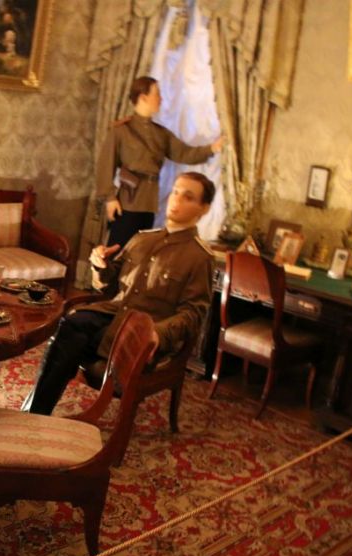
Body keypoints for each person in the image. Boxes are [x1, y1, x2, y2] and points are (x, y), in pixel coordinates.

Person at [22, 171, 216, 415]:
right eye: (175, 191)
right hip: (112, 314)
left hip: (143, 331)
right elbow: (110, 287)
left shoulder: (199, 257)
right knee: (70, 323)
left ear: (204, 208)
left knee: (69, 338)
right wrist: (101, 265)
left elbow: (193, 315)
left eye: (188, 197)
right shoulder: (143, 239)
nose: (176, 199)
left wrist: (158, 333)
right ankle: (36, 414)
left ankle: (35, 414)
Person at [96, 76, 223, 249]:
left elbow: (185, 153)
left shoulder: (160, 134)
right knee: (117, 250)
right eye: (157, 94)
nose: (161, 99)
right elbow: (105, 166)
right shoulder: (121, 131)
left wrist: (212, 148)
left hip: (149, 203)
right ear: (143, 97)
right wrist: (110, 198)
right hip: (127, 203)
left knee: (141, 250)